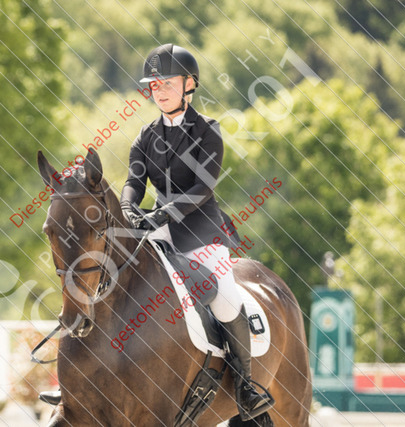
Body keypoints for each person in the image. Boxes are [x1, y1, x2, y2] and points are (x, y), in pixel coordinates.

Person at [41, 44, 274, 421]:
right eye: (154, 85)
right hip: (155, 234)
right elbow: (134, 182)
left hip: (201, 235)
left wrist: (162, 214)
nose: (159, 91)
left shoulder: (207, 131)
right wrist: (130, 208)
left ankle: (246, 385)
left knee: (224, 296)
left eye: (168, 83)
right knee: (106, 286)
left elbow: (203, 188)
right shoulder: (146, 135)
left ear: (189, 84)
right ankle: (82, 379)